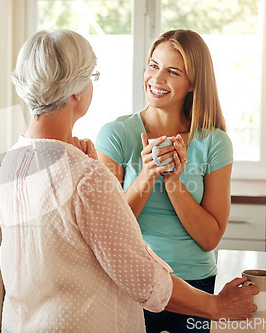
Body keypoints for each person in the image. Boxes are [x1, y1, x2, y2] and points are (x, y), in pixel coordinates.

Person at [0, 29, 256, 333]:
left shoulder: (12, 161)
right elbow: (142, 276)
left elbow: (66, 244)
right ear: (76, 91)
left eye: (173, 71)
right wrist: (219, 305)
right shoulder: (87, 173)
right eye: (91, 76)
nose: (157, 78)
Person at [95, 29, 233, 332]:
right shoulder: (116, 135)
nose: (157, 79)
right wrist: (148, 174)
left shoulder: (214, 142)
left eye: (173, 71)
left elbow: (210, 238)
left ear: (193, 83)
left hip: (196, 285)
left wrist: (172, 180)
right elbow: (108, 228)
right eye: (153, 65)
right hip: (134, 281)